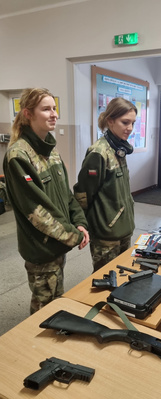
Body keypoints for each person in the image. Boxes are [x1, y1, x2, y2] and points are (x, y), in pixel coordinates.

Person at [3, 88, 89, 314]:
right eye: (46, 109)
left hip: (57, 242)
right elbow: (38, 211)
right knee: (44, 308)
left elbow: (66, 195)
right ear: (28, 114)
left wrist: (79, 222)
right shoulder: (18, 156)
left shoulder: (50, 151)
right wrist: (74, 235)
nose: (54, 114)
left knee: (55, 299)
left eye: (54, 108)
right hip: (41, 247)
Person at [74, 97, 136, 272]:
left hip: (123, 228)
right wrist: (83, 225)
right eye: (125, 122)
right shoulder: (99, 153)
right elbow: (84, 194)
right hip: (106, 233)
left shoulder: (119, 149)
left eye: (132, 123)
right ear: (110, 121)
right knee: (105, 278)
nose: (130, 128)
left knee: (122, 275)